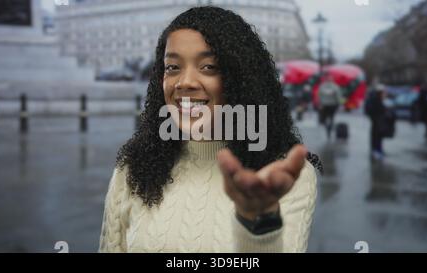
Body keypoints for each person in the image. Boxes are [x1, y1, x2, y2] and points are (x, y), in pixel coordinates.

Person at [99, 6, 322, 253]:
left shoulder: (283, 175)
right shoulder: (132, 167)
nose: (185, 82)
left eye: (208, 67)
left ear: (241, 78)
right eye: (172, 67)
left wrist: (258, 225)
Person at [365, 85, 387, 160]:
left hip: (375, 120)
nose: (385, 94)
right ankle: (376, 150)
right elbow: (380, 110)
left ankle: (377, 150)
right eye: (384, 93)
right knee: (377, 136)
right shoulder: (376, 100)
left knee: (376, 136)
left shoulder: (375, 99)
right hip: (377, 120)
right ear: (380, 93)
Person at [318, 74, 342, 138]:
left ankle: (327, 127)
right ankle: (330, 127)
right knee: (331, 117)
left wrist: (320, 103)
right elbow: (338, 97)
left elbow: (319, 95)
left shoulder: (322, 86)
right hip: (333, 105)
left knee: (324, 118)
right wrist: (339, 104)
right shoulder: (335, 87)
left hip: (324, 105)